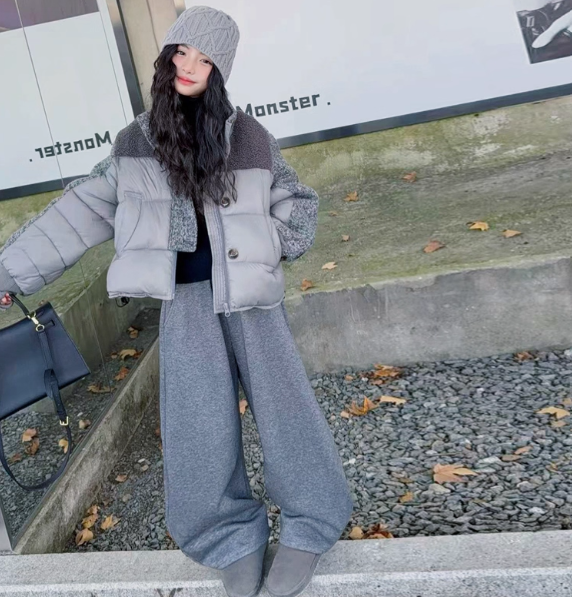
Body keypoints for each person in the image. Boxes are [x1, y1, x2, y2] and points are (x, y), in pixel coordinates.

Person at [0, 6, 353, 597]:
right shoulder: (135, 142)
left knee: (286, 412)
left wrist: (271, 244)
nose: (190, 66)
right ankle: (227, 536)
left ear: (220, 70)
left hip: (252, 302)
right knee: (198, 424)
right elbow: (80, 211)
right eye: (182, 53)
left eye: (205, 59)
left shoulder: (249, 136)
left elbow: (297, 201)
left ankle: (311, 522)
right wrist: (9, 271)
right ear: (167, 58)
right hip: (186, 302)